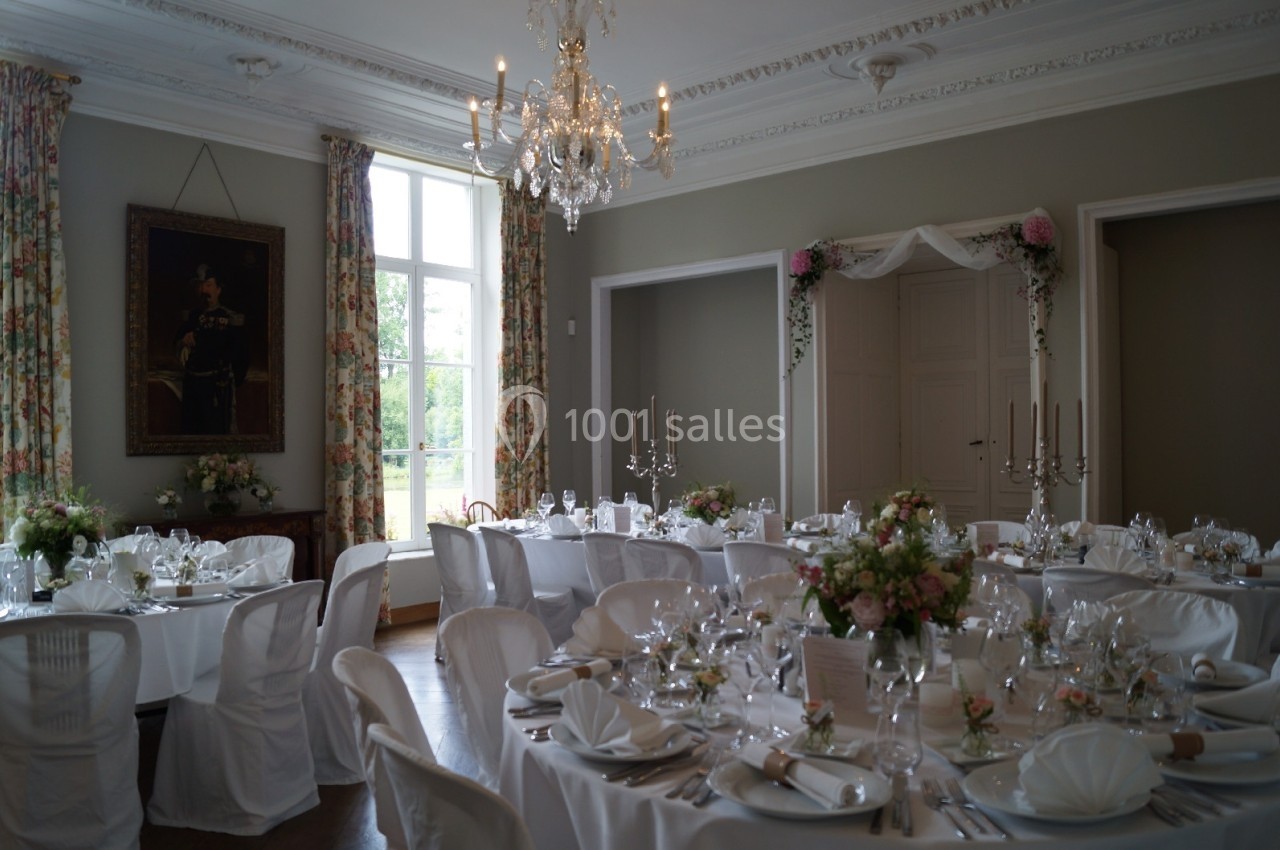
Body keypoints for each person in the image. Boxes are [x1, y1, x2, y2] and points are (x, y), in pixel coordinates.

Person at [174, 263, 248, 434]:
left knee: (215, 430)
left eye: (208, 285)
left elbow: (241, 353)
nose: (204, 290)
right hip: (193, 384)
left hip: (217, 386)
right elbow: (177, 342)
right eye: (201, 286)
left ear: (218, 289)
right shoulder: (193, 316)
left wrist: (233, 380)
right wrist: (184, 340)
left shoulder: (229, 317)